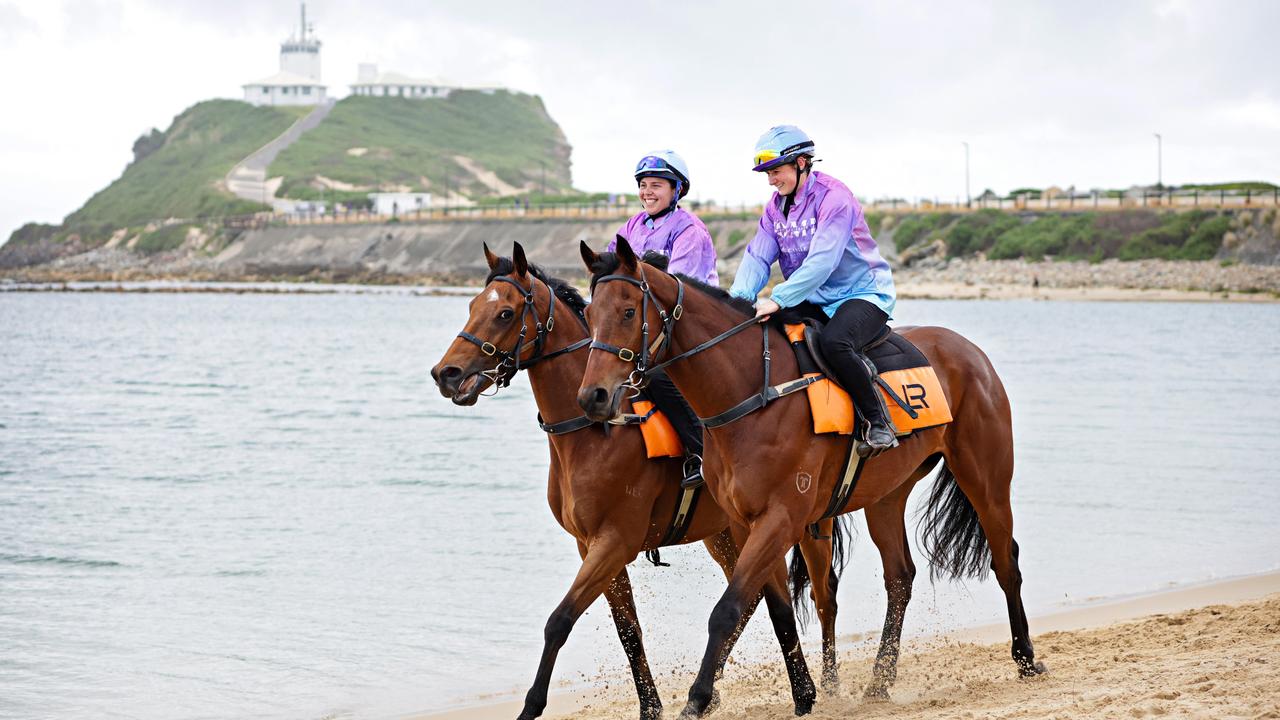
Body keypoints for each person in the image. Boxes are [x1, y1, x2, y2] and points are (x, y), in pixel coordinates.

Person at [728, 125, 900, 454]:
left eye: (776, 171)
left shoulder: (836, 198)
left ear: (802, 163)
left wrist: (778, 299)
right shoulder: (774, 207)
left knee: (836, 343)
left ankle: (878, 423)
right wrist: (737, 302)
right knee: (765, 329)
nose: (771, 180)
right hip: (813, 298)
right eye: (767, 174)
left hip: (863, 295)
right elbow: (757, 257)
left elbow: (823, 262)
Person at [607, 150, 717, 487]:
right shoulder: (633, 226)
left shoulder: (690, 231)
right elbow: (611, 273)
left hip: (689, 325)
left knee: (653, 373)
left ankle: (701, 453)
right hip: (647, 324)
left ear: (676, 190)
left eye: (656, 185)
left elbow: (674, 291)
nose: (647, 192)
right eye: (643, 185)